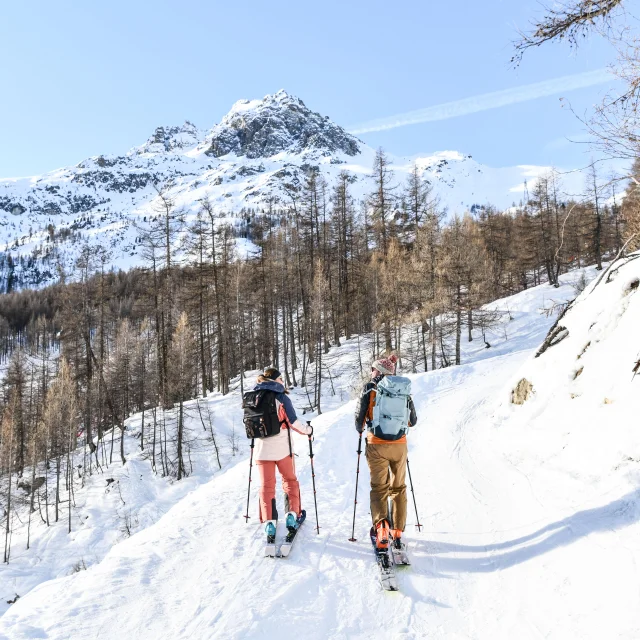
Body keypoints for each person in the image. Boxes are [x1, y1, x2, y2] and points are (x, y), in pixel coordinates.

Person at [354, 354, 417, 550]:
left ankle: (381, 528)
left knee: (379, 488)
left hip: (376, 445)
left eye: (373, 369)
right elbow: (412, 420)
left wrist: (361, 428)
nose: (371, 372)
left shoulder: (370, 387)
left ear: (378, 371)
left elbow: (359, 419)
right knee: (398, 488)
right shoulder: (402, 389)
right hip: (399, 445)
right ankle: (397, 532)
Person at [253, 367, 313, 538]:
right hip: (282, 450)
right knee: (289, 480)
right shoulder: (281, 397)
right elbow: (293, 423)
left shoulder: (254, 396)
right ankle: (292, 516)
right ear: (277, 380)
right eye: (281, 379)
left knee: (266, 486)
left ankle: (269, 523)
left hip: (261, 450)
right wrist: (308, 430)